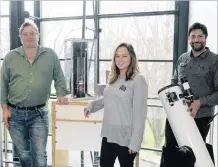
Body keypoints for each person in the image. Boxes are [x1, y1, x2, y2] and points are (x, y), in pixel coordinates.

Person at [1, 21, 69, 167]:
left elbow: (59, 77)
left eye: (32, 33)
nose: (29, 36)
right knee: (24, 154)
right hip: (15, 115)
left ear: (38, 35)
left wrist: (61, 94)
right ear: (20, 37)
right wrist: (5, 109)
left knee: (40, 156)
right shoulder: (10, 57)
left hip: (39, 114)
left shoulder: (50, 55)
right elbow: (2, 85)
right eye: (25, 34)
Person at [161, 22, 218, 165]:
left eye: (200, 36)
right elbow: (174, 81)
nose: (196, 39)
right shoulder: (182, 59)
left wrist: (199, 102)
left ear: (205, 38)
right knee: (171, 152)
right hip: (177, 114)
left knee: (192, 157)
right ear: (189, 39)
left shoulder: (215, 61)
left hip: (201, 117)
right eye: (193, 36)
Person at [84, 42, 148, 167]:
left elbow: (140, 113)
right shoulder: (114, 78)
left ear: (131, 57)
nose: (120, 60)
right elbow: (107, 99)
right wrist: (91, 106)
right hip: (109, 134)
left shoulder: (138, 80)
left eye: (124, 56)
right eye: (117, 56)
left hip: (126, 137)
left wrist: (135, 142)